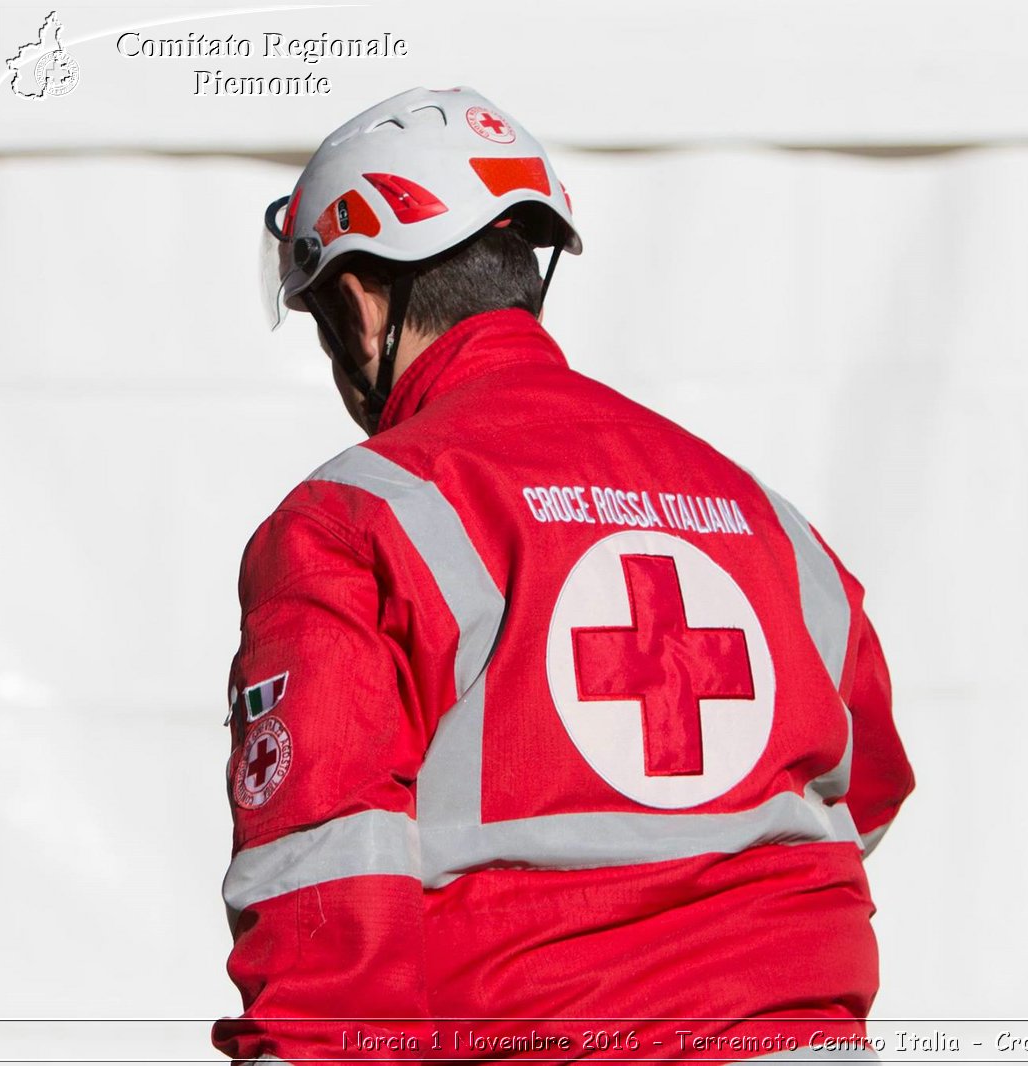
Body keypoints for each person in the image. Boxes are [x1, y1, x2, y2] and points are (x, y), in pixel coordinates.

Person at [215, 86, 914, 1064]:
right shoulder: (763, 515)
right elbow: (868, 783)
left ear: (360, 304)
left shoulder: (350, 521)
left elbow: (324, 903)